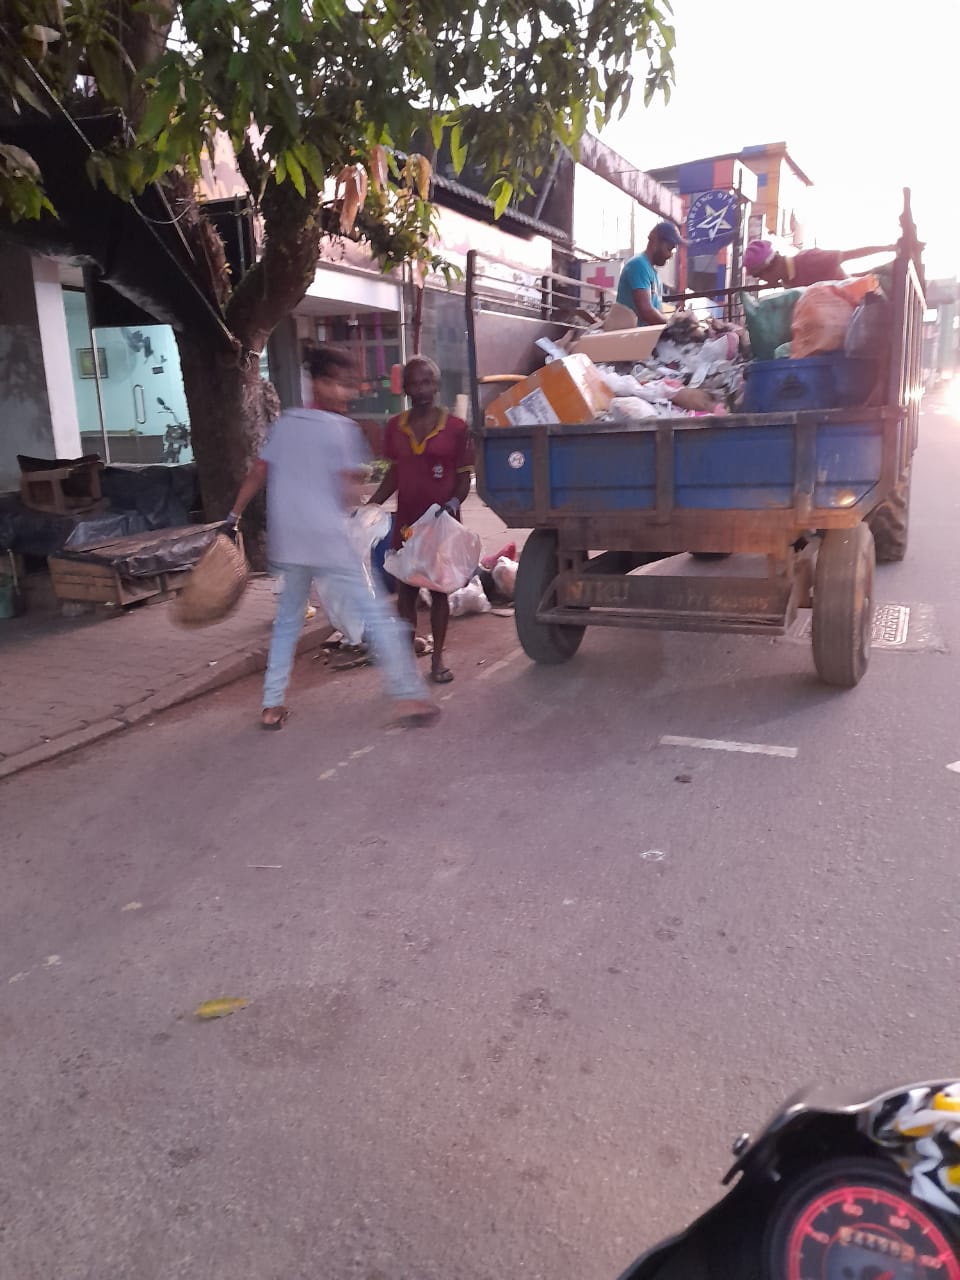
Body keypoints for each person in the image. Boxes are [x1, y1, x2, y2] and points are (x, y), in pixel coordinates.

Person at [225, 345, 438, 730]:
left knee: (288, 622)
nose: (347, 392)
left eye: (349, 385)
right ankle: (409, 695)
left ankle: (271, 705)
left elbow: (258, 472)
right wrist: (358, 501)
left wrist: (232, 517)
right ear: (319, 383)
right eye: (340, 384)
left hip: (290, 543)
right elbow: (347, 494)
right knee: (375, 614)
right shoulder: (341, 429)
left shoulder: (287, 423)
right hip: (327, 541)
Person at [368, 355, 473, 685]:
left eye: (427, 382)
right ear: (405, 388)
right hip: (407, 524)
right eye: (414, 383)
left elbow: (463, 479)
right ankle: (407, 666)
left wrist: (452, 503)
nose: (421, 389)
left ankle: (438, 659)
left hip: (441, 524)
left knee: (439, 592)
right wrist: (371, 505)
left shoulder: (456, 428)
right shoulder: (395, 427)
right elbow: (394, 475)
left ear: (437, 384)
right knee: (407, 592)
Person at [743, 239, 897, 288]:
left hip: (867, 294)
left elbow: (851, 254)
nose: (761, 280)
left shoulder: (809, 259)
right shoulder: (789, 284)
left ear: (770, 266)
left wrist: (889, 248)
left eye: (758, 275)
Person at [616, 221, 685, 326]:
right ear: (655, 242)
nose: (670, 255)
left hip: (647, 334)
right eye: (669, 248)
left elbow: (655, 311)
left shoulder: (651, 271)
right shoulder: (638, 265)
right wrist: (673, 324)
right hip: (636, 335)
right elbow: (647, 312)